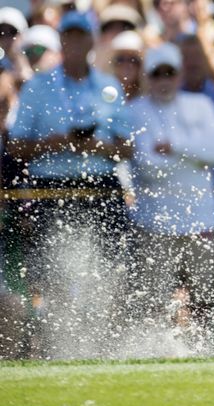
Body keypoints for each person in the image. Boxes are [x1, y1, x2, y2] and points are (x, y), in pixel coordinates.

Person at [6, 11, 133, 357]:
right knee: (54, 276)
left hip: (102, 186)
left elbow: (127, 147)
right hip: (54, 187)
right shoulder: (38, 86)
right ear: (62, 41)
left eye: (81, 36)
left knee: (109, 272)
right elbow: (16, 145)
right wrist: (57, 143)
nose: (76, 43)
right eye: (70, 36)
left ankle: (103, 349)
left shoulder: (109, 86)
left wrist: (97, 147)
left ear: (91, 41)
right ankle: (60, 349)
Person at [128, 43, 214, 328]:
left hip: (200, 219)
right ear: (147, 76)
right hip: (154, 222)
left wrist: (173, 147)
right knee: (154, 300)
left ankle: (204, 351)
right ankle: (156, 352)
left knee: (204, 298)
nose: (163, 80)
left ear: (179, 74)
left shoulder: (201, 105)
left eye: (168, 73)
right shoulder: (135, 111)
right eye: (156, 74)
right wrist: (193, 157)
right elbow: (147, 166)